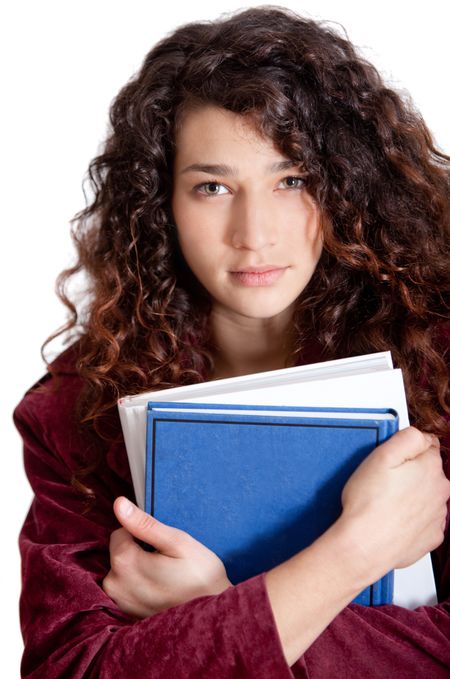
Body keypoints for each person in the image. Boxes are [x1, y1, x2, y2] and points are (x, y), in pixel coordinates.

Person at [14, 6, 450, 677]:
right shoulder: (77, 408)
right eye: (213, 187)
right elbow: (70, 666)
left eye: (292, 180)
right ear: (162, 202)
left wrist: (211, 611)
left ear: (346, 188)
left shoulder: (439, 358)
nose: (254, 232)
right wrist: (353, 553)